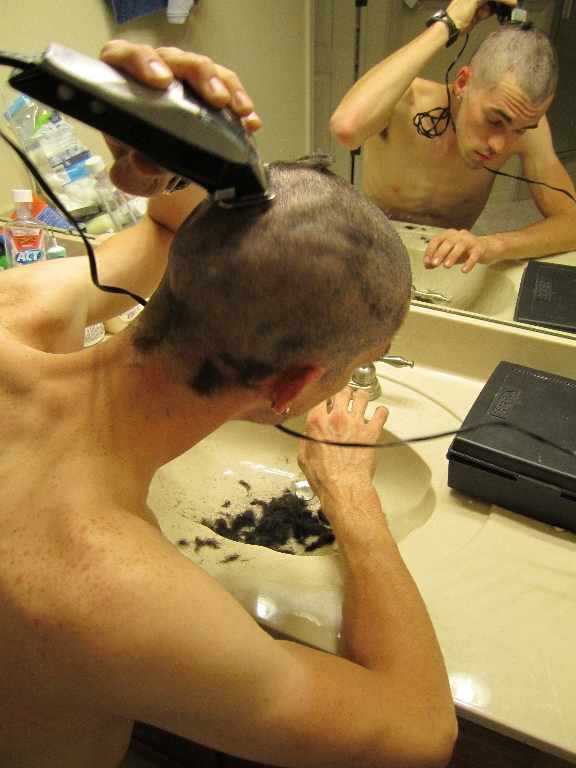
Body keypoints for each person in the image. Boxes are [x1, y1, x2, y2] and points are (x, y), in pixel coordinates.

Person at [0, 41, 457, 768]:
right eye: (359, 365)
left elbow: (167, 230)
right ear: (292, 386)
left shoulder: (20, 310)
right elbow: (423, 729)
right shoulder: (113, 592)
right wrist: (353, 503)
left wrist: (170, 148)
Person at [330, 0, 576, 273]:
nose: (499, 145)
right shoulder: (406, 101)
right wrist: (446, 25)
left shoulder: (528, 125)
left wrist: (493, 245)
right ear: (462, 82)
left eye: (519, 130)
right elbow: (346, 128)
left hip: (447, 261)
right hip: (374, 248)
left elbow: (572, 223)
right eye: (494, 120)